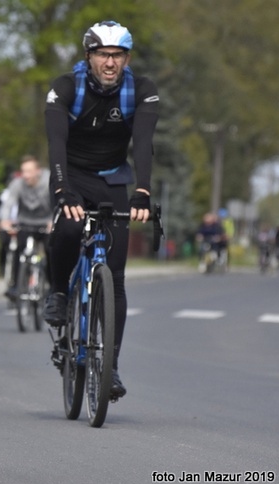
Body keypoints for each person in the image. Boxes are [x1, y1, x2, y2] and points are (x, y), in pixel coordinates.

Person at [43, 21, 159, 400]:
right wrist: (62, 189)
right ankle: (59, 291)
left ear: (126, 58)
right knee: (70, 229)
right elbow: (55, 141)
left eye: (118, 55)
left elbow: (143, 141)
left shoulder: (140, 91)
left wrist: (142, 191)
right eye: (103, 54)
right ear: (88, 56)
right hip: (71, 176)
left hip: (112, 180)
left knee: (117, 273)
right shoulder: (66, 88)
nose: (110, 62)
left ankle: (110, 368)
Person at [0, 155, 52, 299]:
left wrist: (53, 221)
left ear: (38, 171)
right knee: (18, 250)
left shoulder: (48, 181)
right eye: (23, 172)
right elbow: (8, 203)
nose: (26, 175)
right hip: (25, 223)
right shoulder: (17, 184)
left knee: (51, 250)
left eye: (29, 171)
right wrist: (5, 220)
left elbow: (57, 202)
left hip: (46, 223)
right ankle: (15, 285)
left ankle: (53, 287)